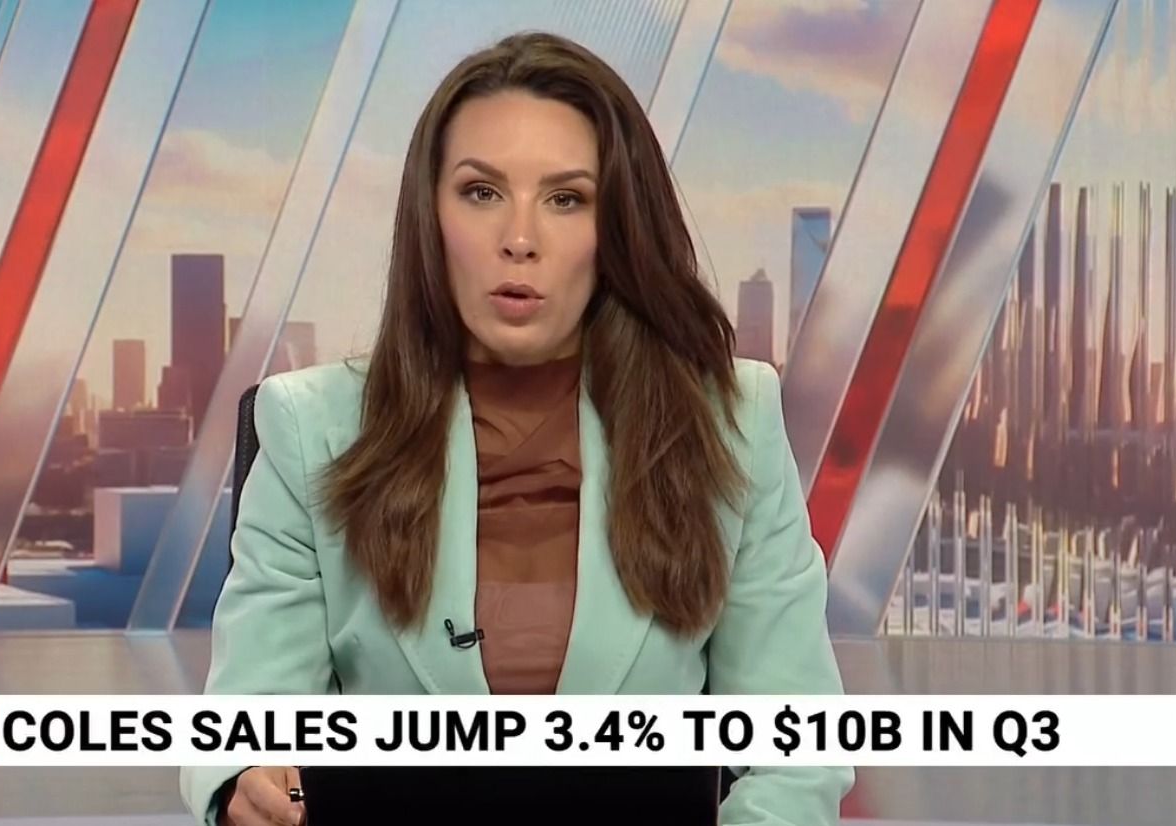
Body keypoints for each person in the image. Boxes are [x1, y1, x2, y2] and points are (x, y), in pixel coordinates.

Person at [181, 30, 853, 826]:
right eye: (480, 192)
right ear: (430, 217)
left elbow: (795, 751)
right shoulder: (310, 429)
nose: (520, 239)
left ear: (617, 226)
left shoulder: (729, 419)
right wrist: (253, 787)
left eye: (565, 199)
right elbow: (253, 726)